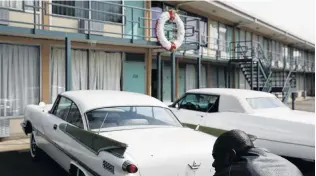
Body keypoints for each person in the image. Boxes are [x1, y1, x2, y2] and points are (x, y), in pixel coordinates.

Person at [212, 129, 303, 176]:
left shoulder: (232, 172)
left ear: (231, 155)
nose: (214, 164)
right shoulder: (284, 162)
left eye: (217, 158)